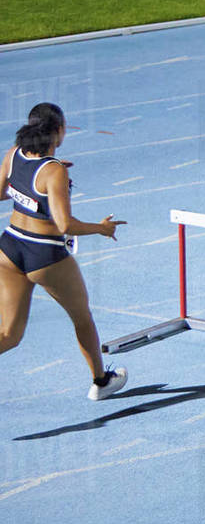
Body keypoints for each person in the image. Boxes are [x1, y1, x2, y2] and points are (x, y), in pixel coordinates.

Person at [0, 103, 127, 399]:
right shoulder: (53, 171)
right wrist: (101, 228)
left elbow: (1, 191)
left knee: (9, 335)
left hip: (9, 248)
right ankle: (101, 381)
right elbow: (64, 224)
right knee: (82, 317)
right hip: (44, 255)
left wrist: (39, 184)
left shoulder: (14, 153)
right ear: (59, 131)